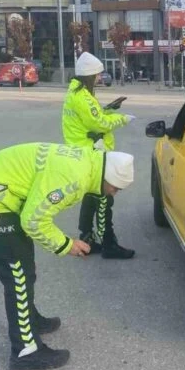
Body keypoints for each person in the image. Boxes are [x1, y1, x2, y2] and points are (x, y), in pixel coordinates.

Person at [0, 143, 135, 370]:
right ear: (107, 177)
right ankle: (25, 351)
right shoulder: (74, 178)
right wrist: (66, 245)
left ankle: (28, 321)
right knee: (18, 275)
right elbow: (33, 220)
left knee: (25, 267)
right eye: (116, 188)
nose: (114, 193)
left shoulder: (87, 161)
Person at [62, 52, 136, 259]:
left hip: (82, 152)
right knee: (104, 198)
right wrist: (121, 119)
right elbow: (99, 123)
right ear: (89, 74)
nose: (99, 78)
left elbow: (93, 118)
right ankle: (108, 244)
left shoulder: (75, 94)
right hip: (92, 153)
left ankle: (87, 240)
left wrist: (108, 109)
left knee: (89, 197)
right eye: (97, 74)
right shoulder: (83, 97)